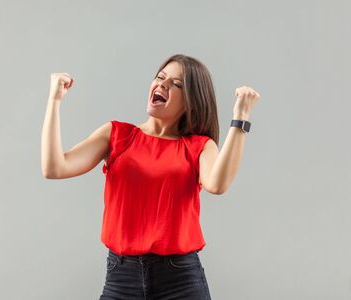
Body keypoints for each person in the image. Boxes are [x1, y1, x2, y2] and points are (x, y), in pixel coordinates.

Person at [41, 54, 260, 299]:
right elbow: (54, 167)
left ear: (191, 101)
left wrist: (240, 118)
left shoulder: (198, 146)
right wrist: (54, 100)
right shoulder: (117, 135)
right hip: (121, 277)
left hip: (180, 281)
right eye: (160, 77)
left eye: (176, 84)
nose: (162, 85)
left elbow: (217, 184)